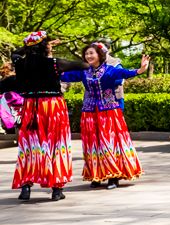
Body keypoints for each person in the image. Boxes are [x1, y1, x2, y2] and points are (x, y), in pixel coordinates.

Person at [4, 32, 88, 201]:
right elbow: (84, 66)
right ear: (45, 47)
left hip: (30, 107)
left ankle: (25, 188)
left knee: (29, 146)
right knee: (56, 144)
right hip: (52, 107)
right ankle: (57, 189)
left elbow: (16, 54)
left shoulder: (20, 64)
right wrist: (47, 51)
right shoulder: (55, 63)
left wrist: (29, 47)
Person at [60, 43, 150, 189]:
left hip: (109, 112)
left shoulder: (109, 70)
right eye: (86, 54)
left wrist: (140, 70)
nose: (88, 56)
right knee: (92, 144)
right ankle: (96, 175)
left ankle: (113, 176)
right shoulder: (84, 72)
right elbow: (66, 75)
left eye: (91, 53)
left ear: (100, 55)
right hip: (89, 112)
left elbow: (125, 73)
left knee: (109, 143)